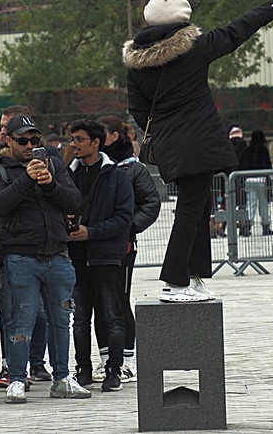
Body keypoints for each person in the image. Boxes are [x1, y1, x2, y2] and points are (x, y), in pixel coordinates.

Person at [124, 0, 273, 302]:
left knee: (201, 208)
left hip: (171, 144)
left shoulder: (137, 64)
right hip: (200, 141)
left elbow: (138, 109)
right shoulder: (194, 49)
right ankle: (174, 282)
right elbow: (236, 31)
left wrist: (165, 125)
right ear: (182, 19)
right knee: (189, 211)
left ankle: (195, 276)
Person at [0, 114, 90, 403]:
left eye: (34, 140)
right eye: (22, 140)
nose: (30, 145)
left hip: (57, 254)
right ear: (8, 140)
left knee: (61, 319)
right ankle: (17, 379)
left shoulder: (53, 164)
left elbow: (74, 200)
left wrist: (50, 183)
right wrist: (27, 180)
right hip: (20, 256)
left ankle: (63, 378)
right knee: (21, 320)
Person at [66, 119, 134, 392]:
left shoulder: (117, 176)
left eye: (80, 139)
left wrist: (91, 233)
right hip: (76, 257)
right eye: (73, 139)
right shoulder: (68, 175)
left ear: (96, 142)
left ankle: (114, 370)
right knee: (80, 318)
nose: (74, 144)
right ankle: (82, 369)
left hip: (107, 257)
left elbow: (124, 219)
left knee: (112, 316)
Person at [94, 114, 160, 384]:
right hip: (94, 244)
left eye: (102, 133)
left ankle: (128, 361)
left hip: (122, 245)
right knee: (98, 302)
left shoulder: (133, 169)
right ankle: (105, 360)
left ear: (114, 136)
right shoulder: (93, 165)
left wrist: (129, 226)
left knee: (119, 301)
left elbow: (151, 203)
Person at [239, 130, 273, 236]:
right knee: (264, 205)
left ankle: (247, 225)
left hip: (249, 180)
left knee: (250, 204)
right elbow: (268, 166)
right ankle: (265, 226)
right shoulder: (263, 150)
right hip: (262, 179)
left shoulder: (246, 151)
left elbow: (242, 166)